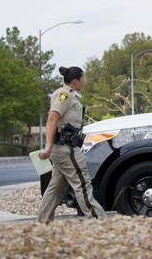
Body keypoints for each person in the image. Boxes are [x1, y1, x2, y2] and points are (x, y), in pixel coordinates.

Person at [37, 66, 107, 222]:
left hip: (62, 148)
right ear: (76, 81)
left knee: (56, 188)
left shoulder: (68, 95)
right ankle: (99, 221)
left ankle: (42, 222)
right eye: (83, 78)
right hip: (65, 149)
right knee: (82, 183)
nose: (84, 81)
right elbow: (52, 119)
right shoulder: (64, 95)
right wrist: (48, 147)